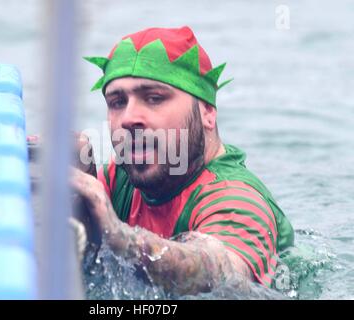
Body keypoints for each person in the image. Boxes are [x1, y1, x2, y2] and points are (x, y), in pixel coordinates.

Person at [72, 26, 294, 295]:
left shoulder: (236, 201)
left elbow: (220, 271)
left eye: (154, 98)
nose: (129, 118)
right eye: (117, 102)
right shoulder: (122, 180)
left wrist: (122, 238)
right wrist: (81, 178)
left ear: (207, 112)